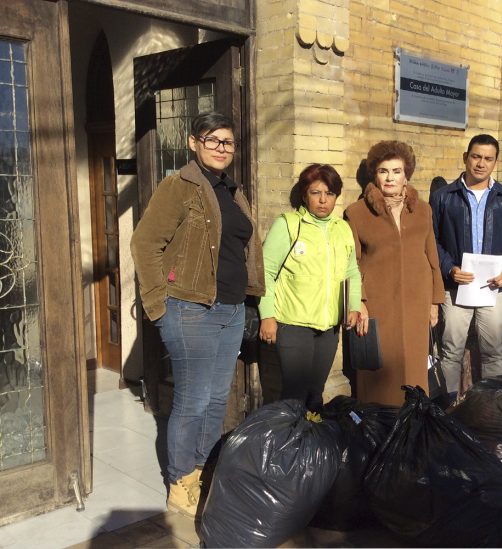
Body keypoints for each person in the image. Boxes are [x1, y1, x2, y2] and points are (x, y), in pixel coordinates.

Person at [130, 112, 265, 518]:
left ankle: (201, 470)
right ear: (194, 142)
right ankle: (179, 481)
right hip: (190, 309)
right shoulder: (180, 185)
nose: (222, 148)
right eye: (213, 140)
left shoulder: (234, 192)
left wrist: (252, 300)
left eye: (228, 141)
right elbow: (145, 244)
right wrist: (159, 306)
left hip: (231, 308)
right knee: (193, 398)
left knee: (217, 398)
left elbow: (243, 251)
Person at [344, 141, 444, 406]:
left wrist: (435, 300)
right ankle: (378, 427)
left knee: (414, 367)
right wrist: (359, 302)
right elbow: (350, 262)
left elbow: (431, 256)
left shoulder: (423, 210)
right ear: (374, 175)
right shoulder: (356, 213)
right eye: (383, 171)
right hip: (376, 303)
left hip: (416, 301)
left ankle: (413, 425)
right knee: (377, 374)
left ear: (406, 175)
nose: (390, 177)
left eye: (396, 171)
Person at [429, 134, 502, 402]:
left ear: (495, 162)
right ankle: (448, 407)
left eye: (488, 158)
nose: (481, 163)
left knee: (493, 351)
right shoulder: (443, 197)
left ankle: (489, 406)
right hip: (456, 287)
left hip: (493, 287)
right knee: (451, 351)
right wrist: (449, 268)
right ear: (466, 158)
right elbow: (431, 240)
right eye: (476, 156)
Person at [258, 164, 361, 412]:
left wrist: (353, 306)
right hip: (293, 325)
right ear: (305, 195)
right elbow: (265, 273)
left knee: (316, 393)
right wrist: (267, 316)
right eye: (316, 193)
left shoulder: (342, 228)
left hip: (328, 328)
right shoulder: (288, 225)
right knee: (294, 395)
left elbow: (351, 272)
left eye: (330, 194)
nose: (323, 200)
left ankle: (311, 447)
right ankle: (286, 446)